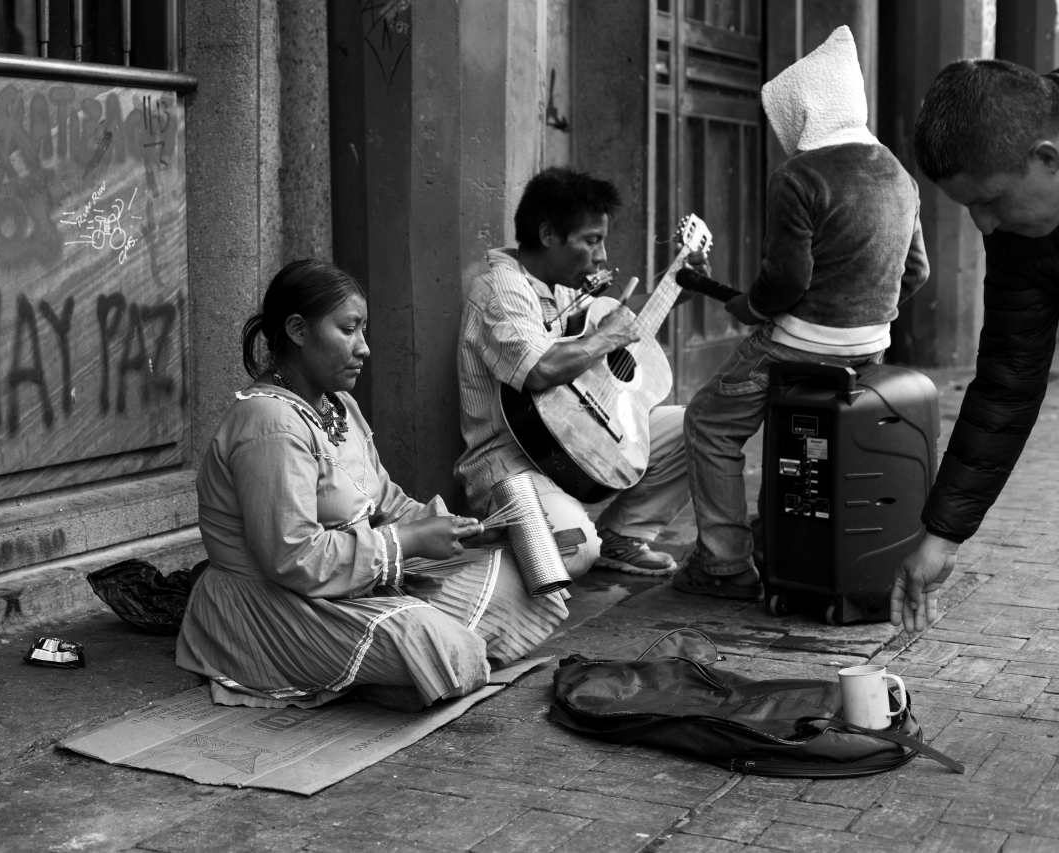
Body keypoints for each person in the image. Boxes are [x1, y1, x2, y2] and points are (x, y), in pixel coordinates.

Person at [176, 259, 568, 712]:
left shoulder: (338, 404)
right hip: (275, 603)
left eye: (363, 330)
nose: (364, 348)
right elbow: (292, 557)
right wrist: (408, 540)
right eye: (349, 330)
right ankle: (400, 654)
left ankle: (393, 660)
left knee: (524, 578)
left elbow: (384, 501)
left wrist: (459, 528)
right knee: (442, 648)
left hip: (351, 581)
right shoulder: (269, 424)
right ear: (299, 330)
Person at [673, 26, 929, 598]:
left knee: (709, 424)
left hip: (797, 345)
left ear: (807, 110)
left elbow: (786, 280)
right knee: (800, 439)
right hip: (869, 351)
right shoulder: (897, 174)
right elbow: (917, 273)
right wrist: (866, 317)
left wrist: (752, 306)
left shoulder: (799, 176)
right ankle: (771, 544)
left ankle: (724, 564)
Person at [454, 167, 693, 579]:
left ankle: (623, 534)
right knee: (576, 549)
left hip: (569, 439)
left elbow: (617, 334)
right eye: (591, 240)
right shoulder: (501, 289)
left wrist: (676, 290)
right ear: (548, 235)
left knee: (701, 424)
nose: (601, 256)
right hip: (510, 462)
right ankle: (490, 548)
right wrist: (606, 337)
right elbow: (541, 369)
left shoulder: (563, 287)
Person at [892, 58, 1059, 631]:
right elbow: (1008, 381)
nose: (985, 226)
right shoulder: (1020, 235)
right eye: (970, 208)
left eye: (991, 201)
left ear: (1047, 158)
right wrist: (941, 536)